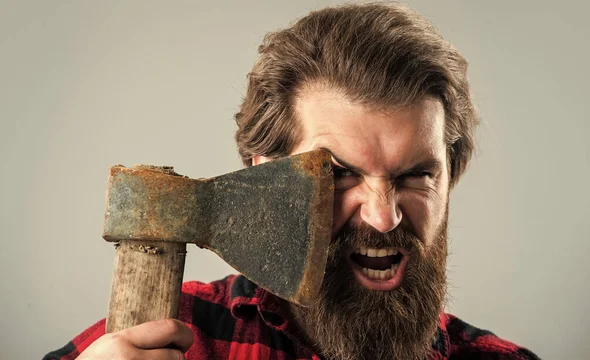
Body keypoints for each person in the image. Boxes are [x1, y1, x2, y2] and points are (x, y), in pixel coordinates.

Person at [44, 3, 540, 360]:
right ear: (266, 174)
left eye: (416, 174)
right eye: (339, 174)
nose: (384, 216)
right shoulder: (177, 336)